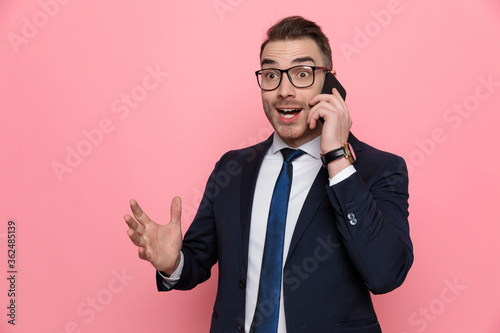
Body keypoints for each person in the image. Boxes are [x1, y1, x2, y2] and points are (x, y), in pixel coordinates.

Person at [124, 16, 413, 333]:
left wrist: (337, 157)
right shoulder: (232, 169)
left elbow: (385, 275)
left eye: (302, 74)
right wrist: (172, 263)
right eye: (272, 75)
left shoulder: (378, 168)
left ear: (331, 83)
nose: (284, 91)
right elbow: (196, 261)